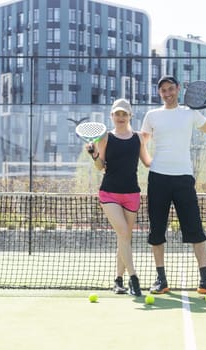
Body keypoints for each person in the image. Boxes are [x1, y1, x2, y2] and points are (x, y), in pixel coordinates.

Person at [141, 75, 206, 296]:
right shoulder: (152, 116)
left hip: (183, 179)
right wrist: (148, 163)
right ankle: (160, 279)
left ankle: (205, 280)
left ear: (178, 89)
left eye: (171, 89)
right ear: (159, 93)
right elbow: (141, 142)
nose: (167, 93)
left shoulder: (190, 113)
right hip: (158, 178)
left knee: (195, 229)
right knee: (157, 231)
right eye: (163, 90)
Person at [86, 98, 151, 296]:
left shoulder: (139, 138)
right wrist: (94, 155)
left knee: (124, 237)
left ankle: (118, 279)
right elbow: (100, 166)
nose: (121, 117)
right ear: (112, 116)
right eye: (117, 114)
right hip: (109, 193)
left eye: (124, 114)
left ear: (130, 116)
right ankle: (134, 279)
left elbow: (147, 161)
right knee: (123, 233)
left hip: (132, 193)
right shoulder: (104, 138)